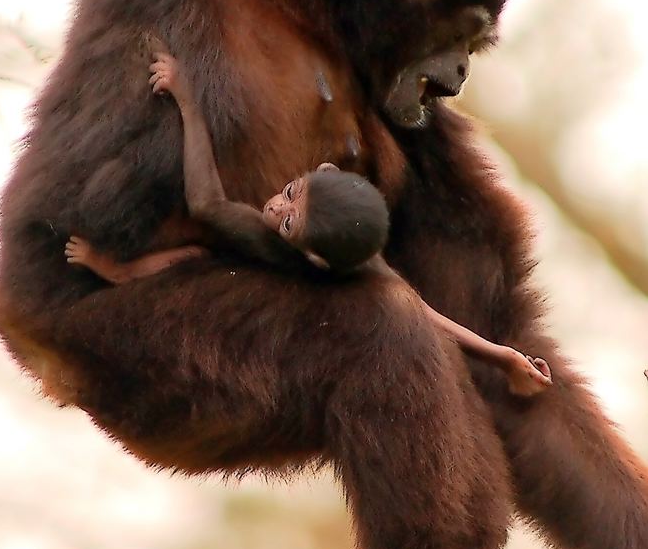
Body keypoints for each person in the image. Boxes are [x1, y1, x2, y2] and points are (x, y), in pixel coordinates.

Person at [66, 46, 552, 397]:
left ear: (314, 255)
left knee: (187, 257)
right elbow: (429, 313)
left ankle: (114, 270)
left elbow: (206, 202)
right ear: (323, 172)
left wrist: (188, 101)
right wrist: (503, 355)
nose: (275, 208)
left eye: (287, 223)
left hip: (244, 292)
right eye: (291, 193)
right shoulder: (368, 260)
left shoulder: (261, 236)